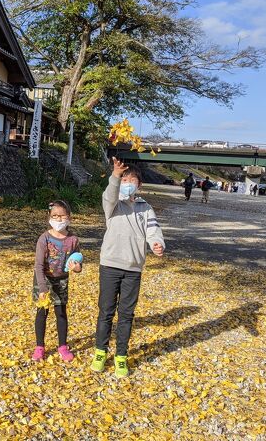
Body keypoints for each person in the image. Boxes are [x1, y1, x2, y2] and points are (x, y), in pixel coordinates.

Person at [91, 157, 165, 378]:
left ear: (139, 185)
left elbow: (153, 230)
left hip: (134, 268)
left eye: (132, 180)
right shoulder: (112, 205)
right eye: (125, 179)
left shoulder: (146, 208)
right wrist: (115, 175)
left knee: (126, 314)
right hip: (110, 265)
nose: (128, 183)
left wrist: (157, 244)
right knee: (105, 312)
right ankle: (100, 352)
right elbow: (109, 193)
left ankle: (121, 356)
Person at [31, 200, 82, 362]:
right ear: (49, 217)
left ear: (69, 218)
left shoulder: (73, 239)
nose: (59, 219)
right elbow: (38, 265)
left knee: (61, 312)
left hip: (61, 280)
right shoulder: (44, 239)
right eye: (55, 216)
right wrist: (42, 288)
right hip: (43, 279)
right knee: (42, 312)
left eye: (62, 216)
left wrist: (76, 268)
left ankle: (62, 346)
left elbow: (78, 262)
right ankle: (40, 347)